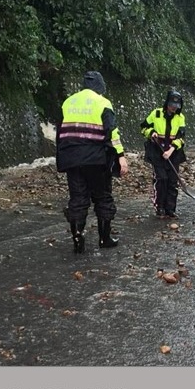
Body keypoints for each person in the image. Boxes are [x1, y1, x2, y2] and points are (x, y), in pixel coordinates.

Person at [55, 70, 129, 253]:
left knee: (78, 199)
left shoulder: (68, 102)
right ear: (100, 87)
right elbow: (112, 132)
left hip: (72, 159)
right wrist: (120, 155)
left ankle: (78, 241)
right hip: (96, 160)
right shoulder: (103, 103)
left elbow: (60, 133)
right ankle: (104, 239)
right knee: (103, 197)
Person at [141, 89, 187, 217]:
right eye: (172, 105)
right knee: (161, 179)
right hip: (157, 152)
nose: (174, 108)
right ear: (167, 103)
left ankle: (170, 209)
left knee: (172, 181)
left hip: (173, 153)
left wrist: (171, 150)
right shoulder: (156, 114)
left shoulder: (180, 118)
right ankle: (159, 207)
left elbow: (181, 138)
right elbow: (143, 127)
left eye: (176, 106)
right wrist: (151, 133)